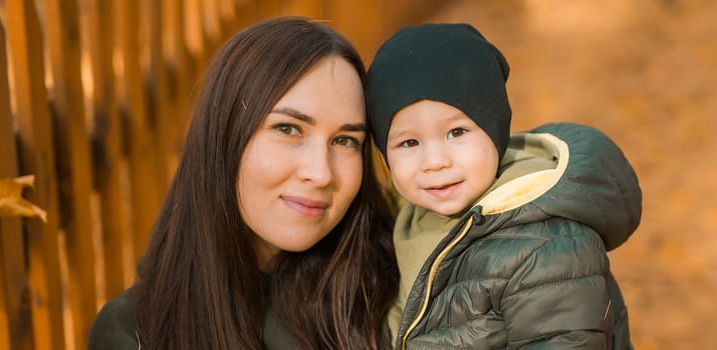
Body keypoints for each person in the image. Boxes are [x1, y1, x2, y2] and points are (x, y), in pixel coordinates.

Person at [88, 17, 399, 349]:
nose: (321, 173)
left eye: (345, 141)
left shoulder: (400, 290)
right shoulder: (134, 333)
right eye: (289, 129)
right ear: (225, 134)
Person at [366, 23, 642, 349]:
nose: (434, 161)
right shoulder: (406, 220)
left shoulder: (544, 248)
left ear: (494, 133)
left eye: (456, 132)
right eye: (409, 142)